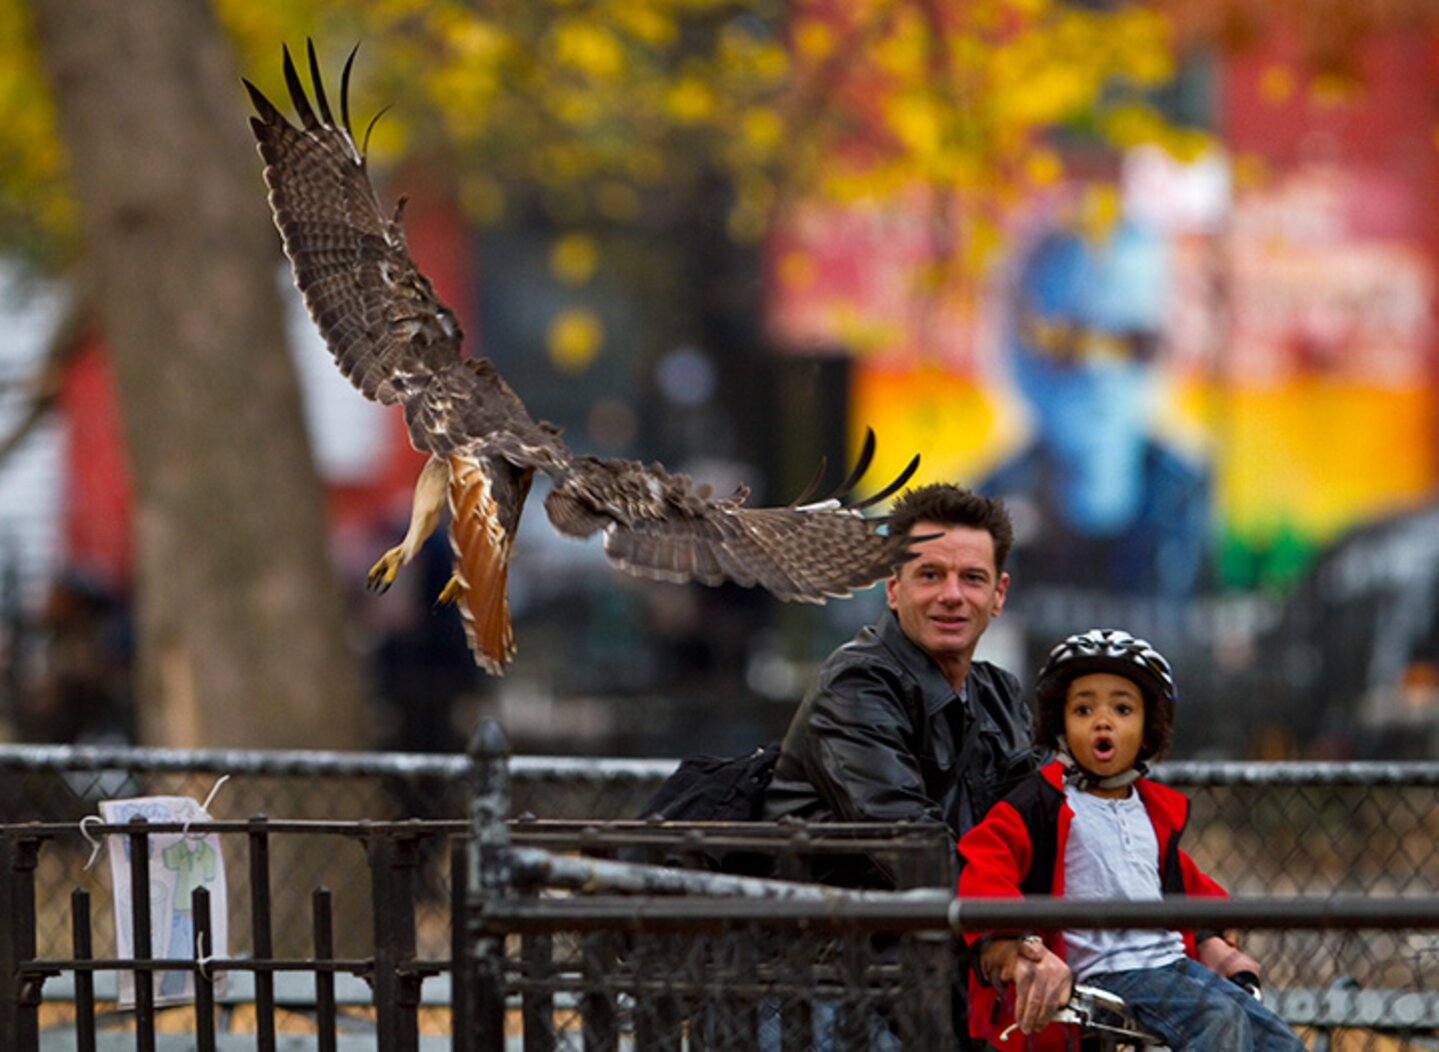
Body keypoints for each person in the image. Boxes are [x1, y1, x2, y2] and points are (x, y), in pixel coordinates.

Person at [957, 628, 1303, 1050]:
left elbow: (1183, 882)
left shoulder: (1151, 810)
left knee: (1277, 1039)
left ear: (1148, 729)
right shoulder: (1040, 804)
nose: (1102, 720)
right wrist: (1016, 943)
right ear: (1059, 723)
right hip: (1111, 973)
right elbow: (985, 867)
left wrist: (1214, 939)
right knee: (1218, 1020)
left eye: (1122, 709)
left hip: (1173, 963)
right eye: (1083, 710)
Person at [763, 484, 1037, 886]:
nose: (952, 595)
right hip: (847, 941)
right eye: (930, 575)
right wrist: (1012, 938)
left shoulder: (1000, 694)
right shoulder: (855, 684)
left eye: (973, 578)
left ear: (999, 595)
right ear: (894, 588)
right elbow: (911, 848)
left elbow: (1041, 832)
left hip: (960, 931)